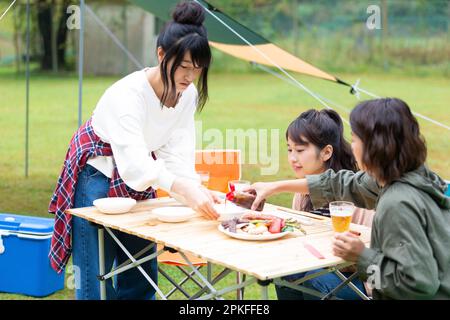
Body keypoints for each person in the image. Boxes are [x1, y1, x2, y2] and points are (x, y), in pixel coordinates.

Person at [48, 1, 219, 300]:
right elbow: (136, 166)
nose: (190, 76)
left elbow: (176, 153)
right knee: (95, 279)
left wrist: (196, 190)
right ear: (161, 54)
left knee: (140, 274)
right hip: (97, 172)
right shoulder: (128, 95)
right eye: (183, 66)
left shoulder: (187, 93)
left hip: (138, 174)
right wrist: (183, 189)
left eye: (197, 68)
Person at [250, 98, 450, 299]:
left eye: (354, 139)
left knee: (316, 280)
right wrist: (274, 187)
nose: (350, 147)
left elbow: (416, 287)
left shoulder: (397, 202)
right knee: (290, 273)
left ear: (375, 146)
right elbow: (341, 184)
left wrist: (362, 256)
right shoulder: (407, 176)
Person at [274, 109, 374, 300]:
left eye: (300, 150)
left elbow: (368, 254)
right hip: (324, 268)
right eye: (289, 149)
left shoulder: (355, 193)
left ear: (327, 152)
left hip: (363, 282)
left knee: (315, 278)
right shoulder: (302, 194)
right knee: (286, 271)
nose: (293, 158)